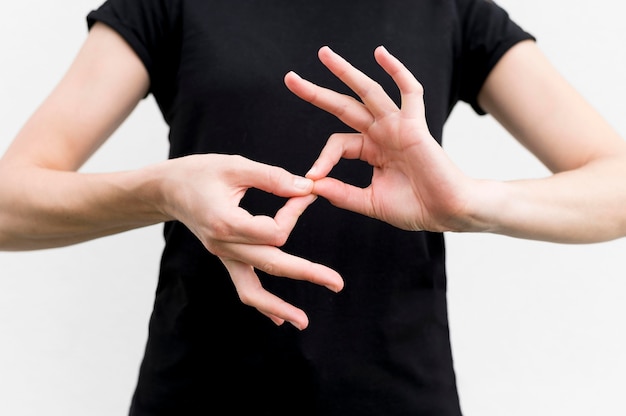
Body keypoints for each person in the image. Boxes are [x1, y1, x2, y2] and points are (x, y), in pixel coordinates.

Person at [1, 1, 625, 415]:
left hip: (402, 399)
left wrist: (471, 203)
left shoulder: (451, 8)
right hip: (196, 396)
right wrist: (162, 190)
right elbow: (9, 204)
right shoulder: (168, 4)